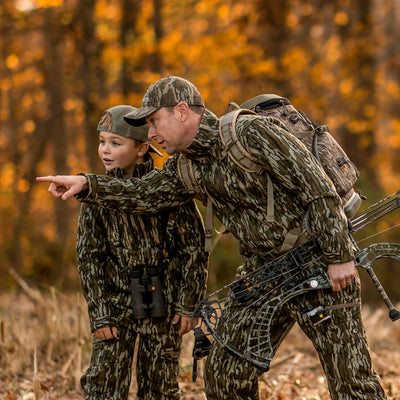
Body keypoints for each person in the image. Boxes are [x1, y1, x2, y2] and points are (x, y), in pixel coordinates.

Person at [37, 77, 387, 400]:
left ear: (182, 111)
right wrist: (87, 184)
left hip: (318, 264)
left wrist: (338, 255)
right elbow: (144, 194)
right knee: (224, 376)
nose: (151, 133)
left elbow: (316, 187)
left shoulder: (249, 132)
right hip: (262, 273)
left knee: (351, 382)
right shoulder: (184, 166)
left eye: (154, 121)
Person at [74, 105, 208, 400]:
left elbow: (193, 250)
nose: (105, 151)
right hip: (116, 308)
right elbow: (89, 257)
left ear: (142, 148)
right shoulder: (96, 194)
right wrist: (100, 314)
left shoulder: (170, 188)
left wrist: (187, 305)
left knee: (160, 389)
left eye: (115, 143)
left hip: (164, 306)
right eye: (102, 141)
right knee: (103, 387)